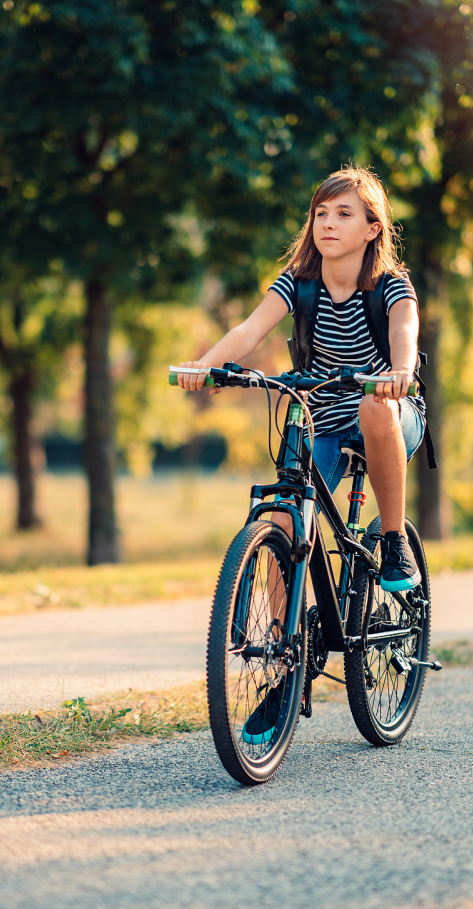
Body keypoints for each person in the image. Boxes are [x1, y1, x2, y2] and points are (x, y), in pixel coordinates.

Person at [174, 166, 425, 593]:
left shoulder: (390, 285)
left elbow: (404, 329)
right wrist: (204, 365)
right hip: (323, 420)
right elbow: (249, 332)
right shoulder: (299, 281)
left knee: (373, 405)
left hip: (390, 410)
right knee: (284, 525)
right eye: (320, 213)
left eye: (344, 214)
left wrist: (400, 373)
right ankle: (284, 633)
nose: (328, 223)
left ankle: (394, 539)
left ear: (372, 229)